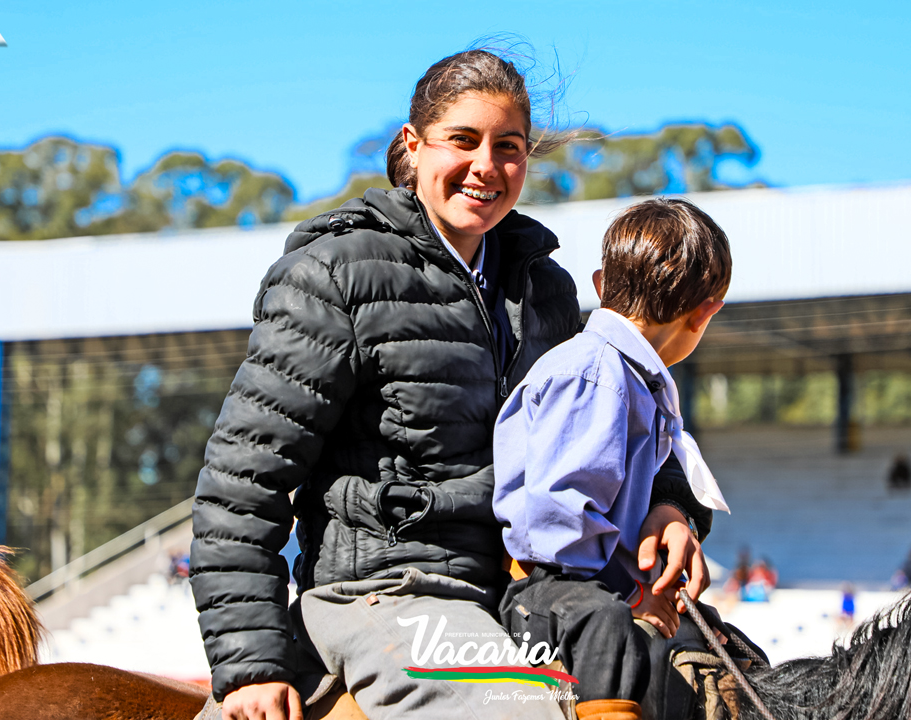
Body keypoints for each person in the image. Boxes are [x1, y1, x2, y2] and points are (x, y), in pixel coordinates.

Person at [190, 49, 711, 720]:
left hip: (522, 595)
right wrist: (249, 665)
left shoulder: (545, 287)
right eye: (463, 140)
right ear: (414, 145)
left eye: (509, 147)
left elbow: (607, 417)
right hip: (387, 593)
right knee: (520, 715)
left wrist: (667, 506)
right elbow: (242, 479)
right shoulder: (334, 276)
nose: (486, 167)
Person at [493, 198, 732, 720]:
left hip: (591, 582)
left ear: (601, 284)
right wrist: (631, 597)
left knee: (727, 647)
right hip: (554, 591)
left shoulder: (634, 376)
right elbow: (561, 523)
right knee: (611, 628)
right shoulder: (596, 373)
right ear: (706, 311)